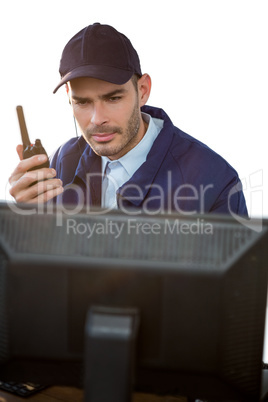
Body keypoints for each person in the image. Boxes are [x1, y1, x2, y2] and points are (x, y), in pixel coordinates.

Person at [9, 22, 247, 216]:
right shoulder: (61, 163)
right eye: (82, 102)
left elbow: (239, 274)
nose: (97, 119)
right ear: (69, 98)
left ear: (142, 90)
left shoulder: (214, 179)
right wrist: (27, 220)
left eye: (113, 98)